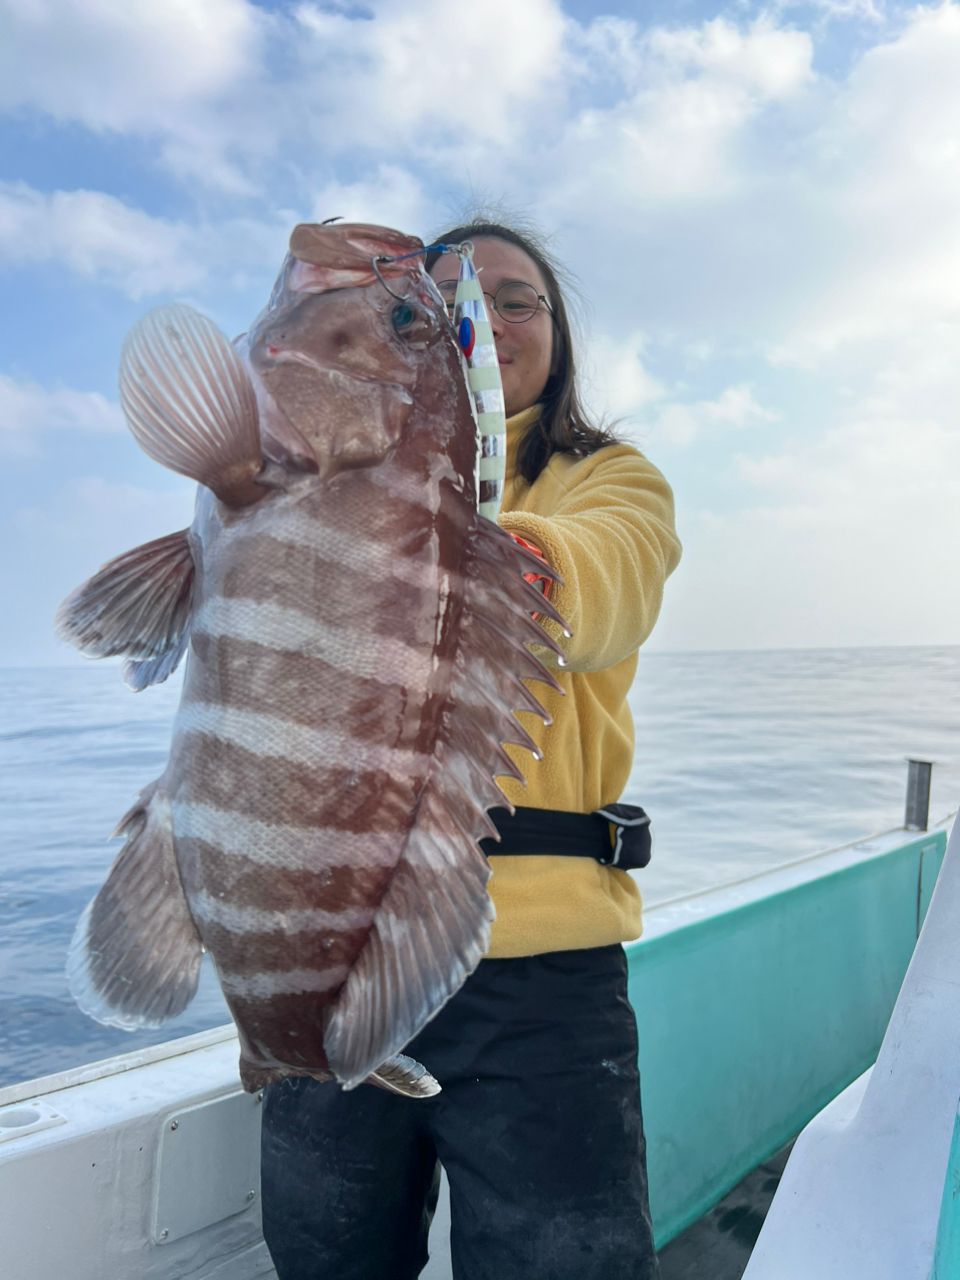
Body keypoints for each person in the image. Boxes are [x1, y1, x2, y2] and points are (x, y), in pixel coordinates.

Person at [260, 218, 682, 1280]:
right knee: (324, 1258)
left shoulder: (608, 477)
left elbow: (608, 586)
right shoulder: (331, 472)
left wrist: (436, 519)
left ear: (558, 333)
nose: (486, 320)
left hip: (538, 977)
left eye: (517, 299)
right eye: (453, 300)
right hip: (338, 957)